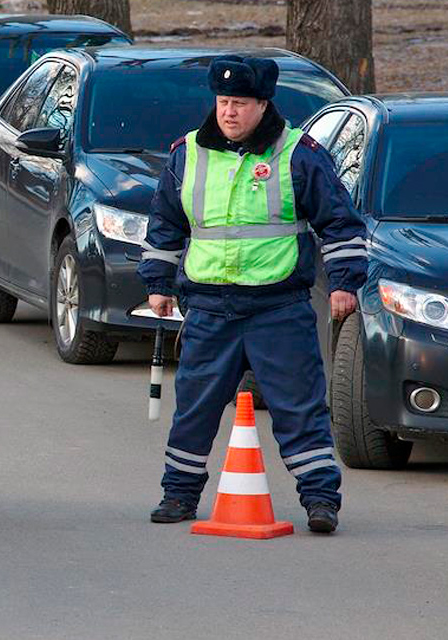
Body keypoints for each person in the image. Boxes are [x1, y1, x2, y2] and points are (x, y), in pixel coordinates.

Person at [138, 54, 367, 534]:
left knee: (299, 407)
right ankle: (178, 495)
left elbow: (340, 223)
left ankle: (321, 501)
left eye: (239, 103)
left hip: (277, 308)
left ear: (263, 104)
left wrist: (345, 284)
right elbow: (165, 224)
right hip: (208, 308)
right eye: (223, 102)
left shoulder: (297, 154)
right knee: (195, 410)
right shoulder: (189, 153)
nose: (229, 112)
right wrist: (158, 285)